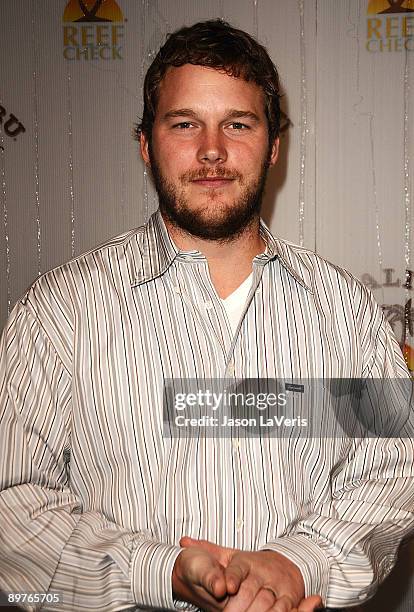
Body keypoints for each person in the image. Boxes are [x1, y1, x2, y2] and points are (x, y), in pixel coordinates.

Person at [0, 18, 413, 612]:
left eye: (237, 124)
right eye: (185, 123)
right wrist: (159, 570)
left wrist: (298, 564)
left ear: (274, 145)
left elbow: (392, 469)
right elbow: (13, 504)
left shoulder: (341, 308)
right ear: (146, 143)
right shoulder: (60, 311)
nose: (212, 150)